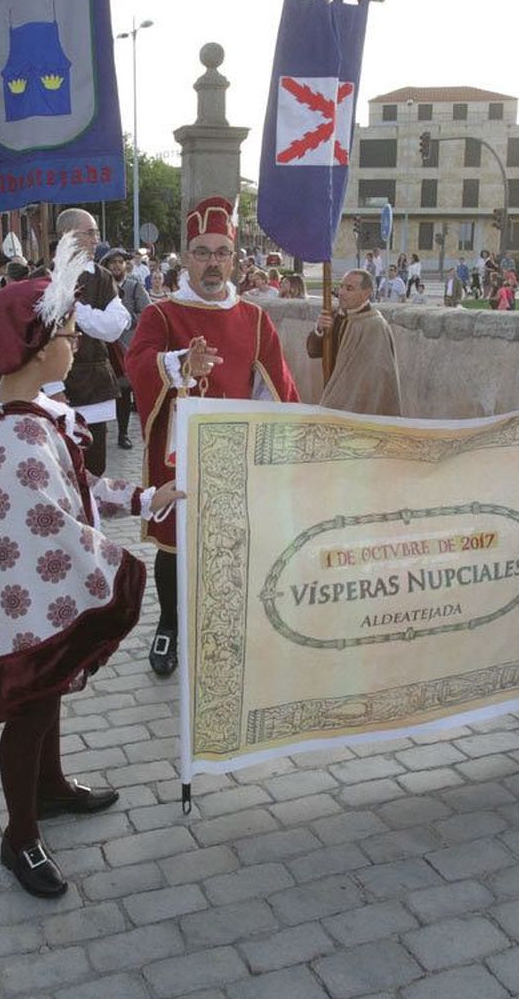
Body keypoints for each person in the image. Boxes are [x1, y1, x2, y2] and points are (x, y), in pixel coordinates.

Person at [0, 236, 182, 898]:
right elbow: (47, 521)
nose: (77, 343)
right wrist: (115, 565)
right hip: (22, 601)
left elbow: (79, 482)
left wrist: (139, 496)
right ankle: (19, 836)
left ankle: (48, 786)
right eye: (70, 333)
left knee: (46, 699)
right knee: (30, 704)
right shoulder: (15, 434)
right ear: (37, 346)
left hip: (37, 591)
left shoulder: (37, 411)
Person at [126, 195, 300, 676]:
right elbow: (136, 364)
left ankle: (225, 629)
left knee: (230, 544)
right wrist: (179, 364)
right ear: (185, 257)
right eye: (202, 252)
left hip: (233, 452)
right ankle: (169, 627)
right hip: (179, 453)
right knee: (174, 543)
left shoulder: (255, 319)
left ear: (234, 258)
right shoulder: (160, 316)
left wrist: (281, 441)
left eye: (221, 252)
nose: (212, 263)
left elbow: (275, 384)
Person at [56, 210, 130, 475]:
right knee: (61, 467)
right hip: (55, 386)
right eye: (90, 233)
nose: (96, 240)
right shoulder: (46, 277)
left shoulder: (101, 276)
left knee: (94, 466)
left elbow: (114, 326)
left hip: (95, 381)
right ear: (69, 236)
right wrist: (52, 386)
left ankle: (92, 516)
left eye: (96, 233)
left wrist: (76, 311)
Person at [307, 269, 403, 415]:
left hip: (364, 405)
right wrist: (319, 329)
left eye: (349, 288)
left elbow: (378, 375)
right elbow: (313, 351)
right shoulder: (335, 316)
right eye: (342, 286)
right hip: (336, 395)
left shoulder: (375, 326)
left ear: (366, 293)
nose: (341, 293)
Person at [112, 247, 152, 450]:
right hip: (106, 348)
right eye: (112, 263)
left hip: (127, 346)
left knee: (124, 391)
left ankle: (123, 433)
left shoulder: (135, 287)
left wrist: (126, 320)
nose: (116, 266)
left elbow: (147, 312)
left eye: (119, 262)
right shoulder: (103, 287)